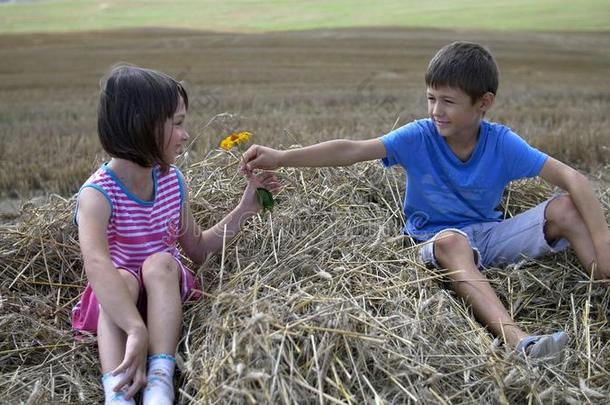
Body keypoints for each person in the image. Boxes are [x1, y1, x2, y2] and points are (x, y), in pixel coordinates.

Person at [241, 41, 610, 361]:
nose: (436, 111)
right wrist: (282, 156)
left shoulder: (501, 143)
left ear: (484, 103)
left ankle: (604, 286)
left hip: (488, 235)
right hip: (434, 242)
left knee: (565, 207)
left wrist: (603, 244)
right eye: (431, 98)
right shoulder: (419, 136)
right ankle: (521, 345)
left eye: (448, 102)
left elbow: (573, 178)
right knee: (453, 242)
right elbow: (353, 150)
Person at [72, 65, 279, 404]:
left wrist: (245, 208)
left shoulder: (172, 181)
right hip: (114, 305)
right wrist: (136, 328)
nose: (185, 135)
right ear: (143, 125)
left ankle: (159, 379)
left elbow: (198, 248)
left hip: (164, 294)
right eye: (178, 123)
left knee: (160, 263)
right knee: (120, 277)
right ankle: (117, 390)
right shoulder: (97, 195)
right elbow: (97, 266)